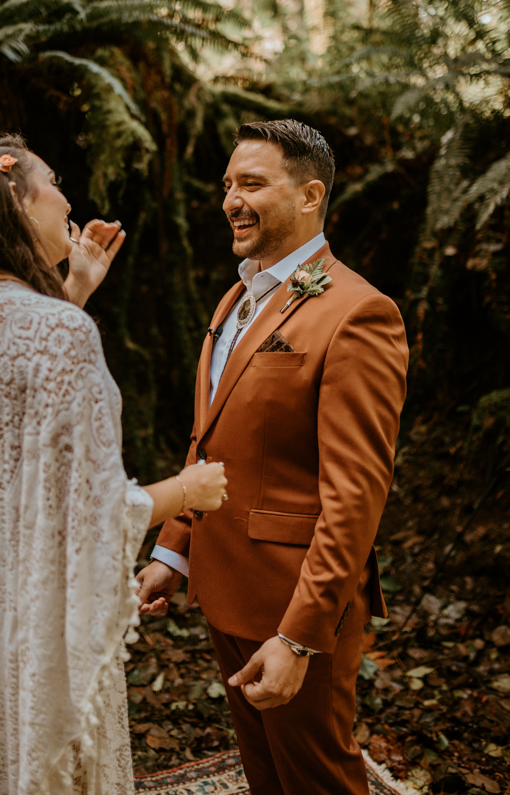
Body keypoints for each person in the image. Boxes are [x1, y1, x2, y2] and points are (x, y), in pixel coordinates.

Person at [0, 135, 227, 795]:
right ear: (15, 202)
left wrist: (73, 290)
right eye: (53, 181)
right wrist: (187, 489)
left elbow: (6, 425)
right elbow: (88, 510)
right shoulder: (57, 330)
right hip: (32, 597)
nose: (68, 198)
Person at [137, 119, 408, 795]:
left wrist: (298, 638)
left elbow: (355, 496)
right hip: (223, 586)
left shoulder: (359, 312)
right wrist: (173, 551)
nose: (231, 198)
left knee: (317, 777)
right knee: (265, 775)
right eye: (228, 184)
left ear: (311, 195)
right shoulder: (235, 297)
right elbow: (214, 440)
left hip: (296, 601)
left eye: (252, 183)